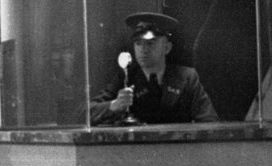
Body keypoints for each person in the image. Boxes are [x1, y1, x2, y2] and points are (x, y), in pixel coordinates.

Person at [87, 12, 218, 126]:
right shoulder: (126, 77)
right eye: (138, 43)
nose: (143, 49)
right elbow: (86, 113)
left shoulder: (187, 77)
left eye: (150, 43)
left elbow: (209, 120)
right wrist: (113, 105)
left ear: (167, 48)